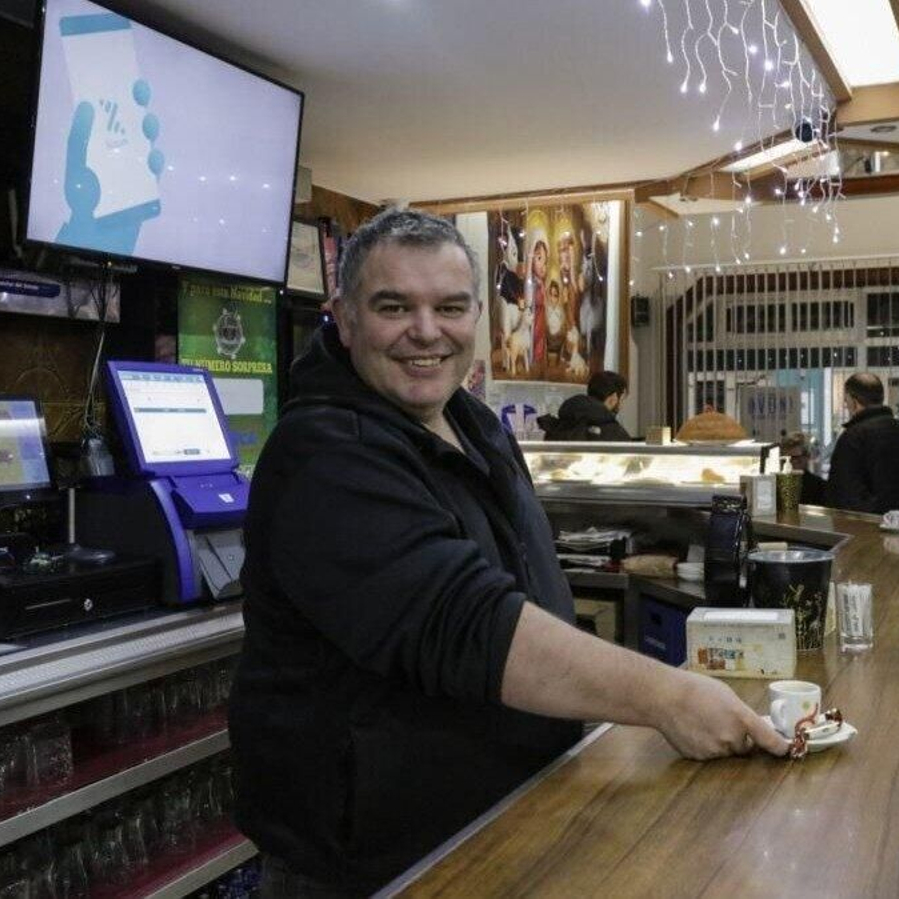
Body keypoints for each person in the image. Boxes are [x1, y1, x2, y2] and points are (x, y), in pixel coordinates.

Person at [230, 210, 788, 897]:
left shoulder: (469, 422)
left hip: (500, 821)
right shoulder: (323, 452)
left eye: (450, 307)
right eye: (394, 306)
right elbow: (469, 623)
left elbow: (524, 582)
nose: (427, 331)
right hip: (372, 863)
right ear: (342, 319)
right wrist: (666, 696)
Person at [825, 373, 899, 517]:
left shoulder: (851, 438)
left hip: (865, 532)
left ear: (854, 401)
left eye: (846, 400)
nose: (846, 405)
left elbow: (844, 494)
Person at [538, 370, 633, 441]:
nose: (621, 406)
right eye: (622, 399)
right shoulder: (614, 433)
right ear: (613, 398)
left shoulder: (558, 425)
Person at [779, 431, 827, 506]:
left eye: (796, 458)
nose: (792, 462)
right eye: (787, 459)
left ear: (807, 457)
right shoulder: (777, 484)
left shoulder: (820, 487)